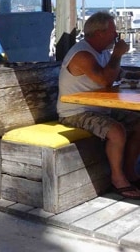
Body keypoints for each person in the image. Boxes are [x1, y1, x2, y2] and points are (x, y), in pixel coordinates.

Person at [57, 11, 140, 199]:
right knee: (116, 131)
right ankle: (118, 179)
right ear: (99, 33)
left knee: (138, 122)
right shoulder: (82, 54)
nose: (116, 34)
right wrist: (117, 54)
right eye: (113, 31)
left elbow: (117, 74)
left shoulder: (102, 52)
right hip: (74, 112)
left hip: (97, 108)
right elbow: (105, 80)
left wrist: (134, 74)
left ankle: (130, 172)